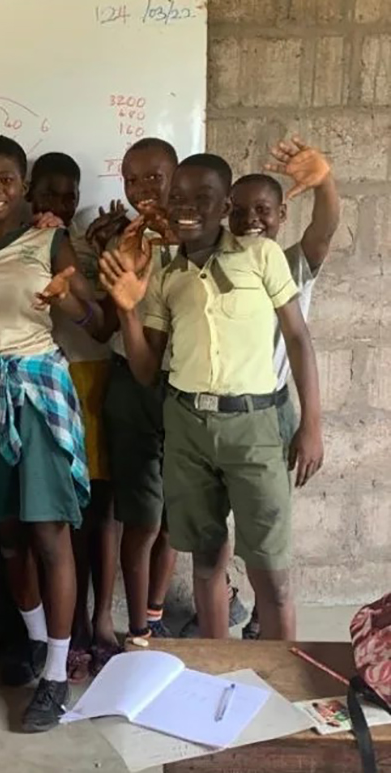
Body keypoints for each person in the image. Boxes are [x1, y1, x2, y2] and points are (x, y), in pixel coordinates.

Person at [99, 153, 325, 641]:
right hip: (187, 428)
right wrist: (128, 311)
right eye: (178, 197)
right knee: (206, 558)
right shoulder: (164, 274)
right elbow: (145, 370)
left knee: (270, 568)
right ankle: (217, 668)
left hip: (256, 427)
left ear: (225, 206)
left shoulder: (260, 256)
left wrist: (311, 426)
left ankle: (279, 674)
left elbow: (298, 339)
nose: (187, 209)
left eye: (203, 199)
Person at [0, 135, 104, 732]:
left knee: (50, 535)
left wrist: (70, 302)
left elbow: (99, 319)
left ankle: (58, 675)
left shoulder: (51, 239)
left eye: (7, 179)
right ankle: (39, 642)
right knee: (7, 537)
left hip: (39, 396)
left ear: (24, 184)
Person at [228, 136, 339, 639]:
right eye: (241, 210)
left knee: (266, 531)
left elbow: (325, 229)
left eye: (264, 209)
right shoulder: (217, 264)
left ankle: (263, 611)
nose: (253, 219)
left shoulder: (293, 263)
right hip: (217, 416)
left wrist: (326, 183)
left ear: (281, 216)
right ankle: (234, 599)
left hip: (270, 413)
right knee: (218, 528)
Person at [28, 152, 119, 679]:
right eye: (47, 194)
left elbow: (107, 316)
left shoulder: (93, 239)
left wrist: (102, 249)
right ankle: (72, 622)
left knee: (103, 508)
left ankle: (101, 619)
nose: (58, 205)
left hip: (98, 379)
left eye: (68, 195)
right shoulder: (25, 238)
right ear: (29, 195)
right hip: (52, 385)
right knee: (65, 515)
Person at [90, 138, 182, 644]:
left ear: (176, 176)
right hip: (131, 384)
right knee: (141, 517)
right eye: (132, 180)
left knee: (175, 516)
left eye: (154, 177)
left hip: (186, 384)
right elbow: (104, 325)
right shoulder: (121, 242)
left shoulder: (197, 240)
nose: (144, 189)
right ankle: (139, 629)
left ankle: (155, 609)